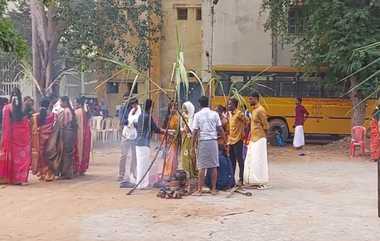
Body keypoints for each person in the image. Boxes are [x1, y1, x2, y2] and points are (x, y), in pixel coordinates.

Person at [192, 96, 225, 195]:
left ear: (199, 104)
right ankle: (214, 189)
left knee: (202, 166)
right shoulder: (215, 114)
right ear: (208, 103)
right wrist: (225, 140)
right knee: (214, 166)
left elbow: (194, 131)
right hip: (213, 142)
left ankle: (199, 190)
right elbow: (220, 129)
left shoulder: (197, 115)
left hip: (203, 142)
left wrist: (192, 145)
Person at [0, 87, 31, 185]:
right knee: (23, 157)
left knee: (14, 157)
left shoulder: (7, 107)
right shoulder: (24, 107)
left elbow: (6, 124)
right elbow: (26, 121)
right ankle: (21, 178)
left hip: (13, 135)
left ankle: (14, 178)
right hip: (23, 137)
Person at [135, 99, 164, 189]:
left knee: (141, 164)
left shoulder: (140, 116)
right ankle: (141, 184)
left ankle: (142, 183)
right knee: (142, 164)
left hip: (138, 143)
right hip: (144, 144)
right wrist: (166, 132)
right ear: (151, 107)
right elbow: (155, 129)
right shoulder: (148, 116)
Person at [244, 91, 270, 189]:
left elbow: (266, 125)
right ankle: (254, 181)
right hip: (253, 138)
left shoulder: (260, 110)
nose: (249, 100)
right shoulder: (254, 110)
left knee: (259, 160)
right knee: (252, 160)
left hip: (259, 138)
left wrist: (264, 137)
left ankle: (262, 182)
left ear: (256, 98)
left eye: (250, 99)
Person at [31, 97, 57, 181]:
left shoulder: (36, 116)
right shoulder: (53, 115)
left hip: (40, 138)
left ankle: (43, 174)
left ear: (39, 104)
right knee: (49, 155)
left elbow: (34, 128)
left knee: (41, 155)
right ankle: (49, 174)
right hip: (51, 138)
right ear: (49, 105)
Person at [119, 98, 141, 186]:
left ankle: (132, 173)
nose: (133, 106)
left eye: (134, 104)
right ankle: (121, 174)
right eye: (132, 105)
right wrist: (128, 122)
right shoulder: (125, 109)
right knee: (123, 155)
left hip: (134, 135)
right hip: (126, 134)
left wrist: (132, 123)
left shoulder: (139, 111)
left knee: (134, 155)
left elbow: (139, 123)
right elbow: (122, 120)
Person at [227, 98, 249, 186]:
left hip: (238, 140)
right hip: (231, 140)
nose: (228, 106)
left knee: (239, 160)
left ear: (234, 105)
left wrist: (244, 132)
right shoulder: (230, 114)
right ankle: (232, 179)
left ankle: (241, 179)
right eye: (228, 104)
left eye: (230, 104)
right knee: (232, 160)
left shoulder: (239, 113)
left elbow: (247, 121)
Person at [74, 96, 92, 176]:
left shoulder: (77, 112)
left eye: (75, 103)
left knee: (79, 150)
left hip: (80, 133)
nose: (74, 104)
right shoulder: (85, 111)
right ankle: (82, 168)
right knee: (84, 150)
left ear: (78, 103)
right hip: (86, 133)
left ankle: (78, 168)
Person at [162, 102, 180, 178]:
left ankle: (173, 172)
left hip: (175, 139)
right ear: (169, 108)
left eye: (175, 107)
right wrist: (168, 133)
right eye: (172, 107)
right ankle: (167, 172)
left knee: (174, 156)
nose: (173, 109)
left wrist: (175, 134)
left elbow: (179, 129)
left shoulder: (178, 117)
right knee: (169, 156)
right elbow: (163, 129)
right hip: (168, 139)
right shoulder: (167, 117)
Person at [180, 101, 197, 179]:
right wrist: (182, 129)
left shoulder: (193, 118)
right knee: (184, 154)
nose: (184, 110)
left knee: (189, 154)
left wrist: (186, 130)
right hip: (185, 138)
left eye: (186, 109)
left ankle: (190, 171)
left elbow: (192, 129)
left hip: (190, 138)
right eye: (184, 108)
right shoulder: (183, 116)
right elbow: (182, 126)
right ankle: (185, 170)